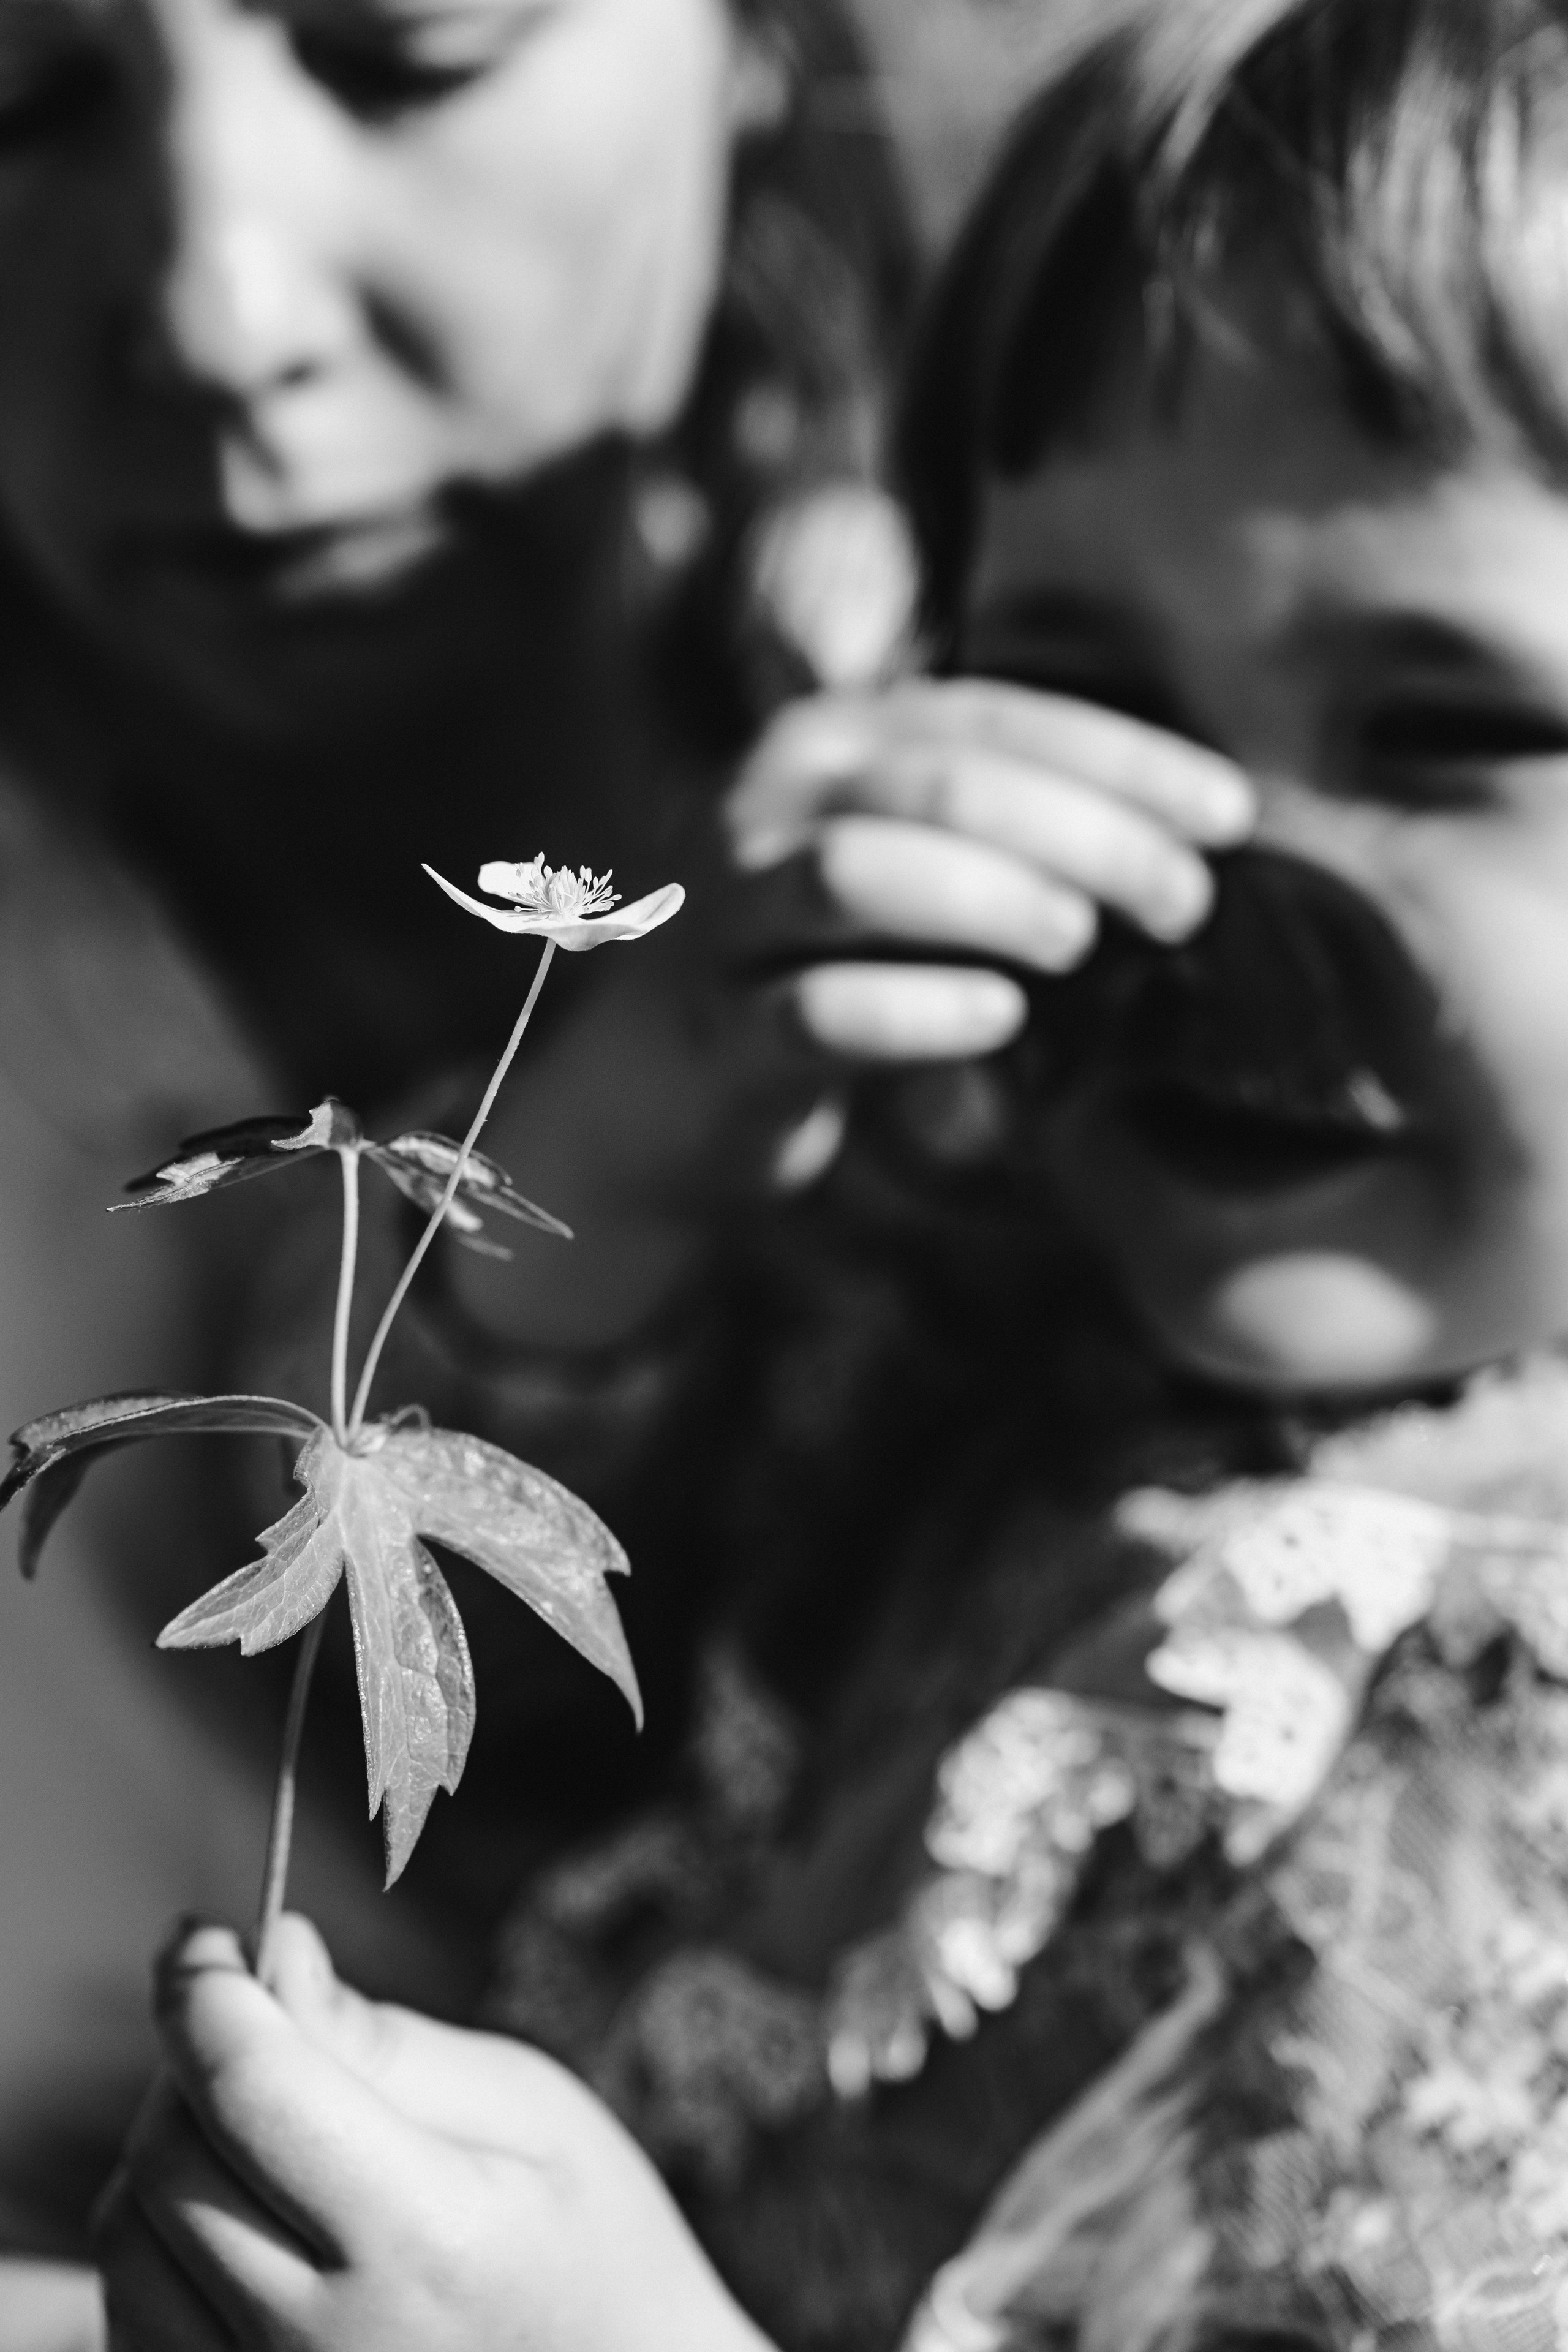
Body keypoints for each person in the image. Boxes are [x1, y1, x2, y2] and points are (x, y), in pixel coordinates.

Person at [92, 0, 1568, 2346]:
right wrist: (620, 1161)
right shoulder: (965, 1315)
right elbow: (451, 1745)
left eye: (1458, 723)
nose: (1216, 883)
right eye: (1093, 695)